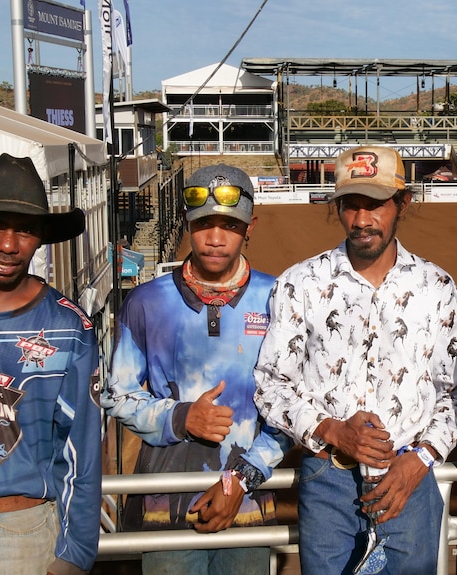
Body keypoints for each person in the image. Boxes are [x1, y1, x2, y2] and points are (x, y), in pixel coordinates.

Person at [254, 145, 457, 574]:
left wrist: (420, 458)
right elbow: (270, 384)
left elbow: (454, 392)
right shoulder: (300, 284)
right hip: (327, 477)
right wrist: (330, 429)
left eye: (377, 205)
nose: (363, 220)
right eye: (351, 205)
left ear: (403, 203)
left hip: (408, 480)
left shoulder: (437, 287)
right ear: (338, 207)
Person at [102, 164, 290, 575]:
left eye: (229, 225)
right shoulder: (146, 302)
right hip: (165, 507)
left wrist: (239, 479)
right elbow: (117, 394)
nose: (216, 238)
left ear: (250, 227)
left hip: (248, 505)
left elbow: (291, 408)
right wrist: (182, 416)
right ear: (186, 222)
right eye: (204, 224)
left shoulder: (278, 298)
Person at [0, 153, 101, 574]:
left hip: (20, 533)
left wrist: (76, 552)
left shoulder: (69, 327)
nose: (8, 244)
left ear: (41, 238)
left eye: (24, 230)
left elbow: (82, 446)